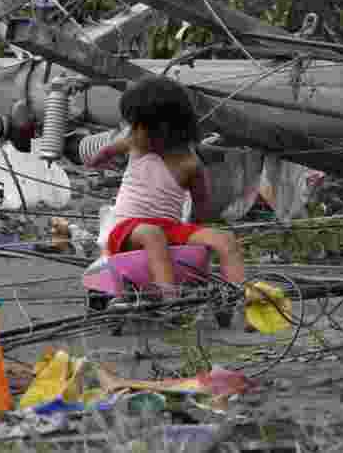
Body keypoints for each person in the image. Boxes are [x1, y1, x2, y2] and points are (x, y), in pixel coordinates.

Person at [85, 75, 245, 300]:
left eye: (139, 125)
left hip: (169, 228)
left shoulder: (191, 164)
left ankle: (239, 300)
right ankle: (170, 299)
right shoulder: (136, 144)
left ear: (168, 125)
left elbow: (202, 209)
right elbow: (107, 151)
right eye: (134, 125)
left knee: (225, 239)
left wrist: (200, 234)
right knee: (153, 234)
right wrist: (95, 164)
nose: (134, 130)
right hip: (126, 229)